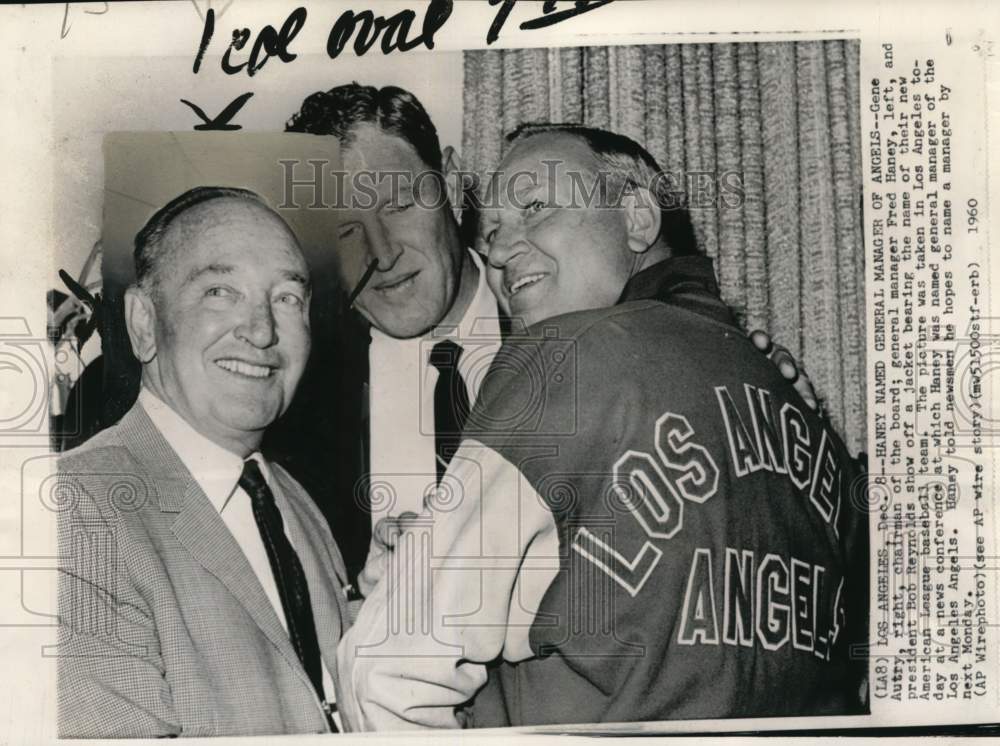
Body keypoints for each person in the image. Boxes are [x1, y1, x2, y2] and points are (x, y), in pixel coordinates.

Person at [337, 125, 868, 729]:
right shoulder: (792, 407)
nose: (503, 251)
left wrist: (407, 590)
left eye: (535, 208)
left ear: (637, 218)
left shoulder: (560, 358)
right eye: (494, 233)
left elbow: (382, 667)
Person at [281, 84, 818, 595]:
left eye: (398, 204)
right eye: (345, 227)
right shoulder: (294, 405)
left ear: (447, 181)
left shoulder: (598, 315)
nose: (382, 253)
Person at [57, 187, 350, 737]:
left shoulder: (296, 503)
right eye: (220, 291)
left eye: (287, 297)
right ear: (144, 322)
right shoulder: (74, 515)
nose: (262, 331)